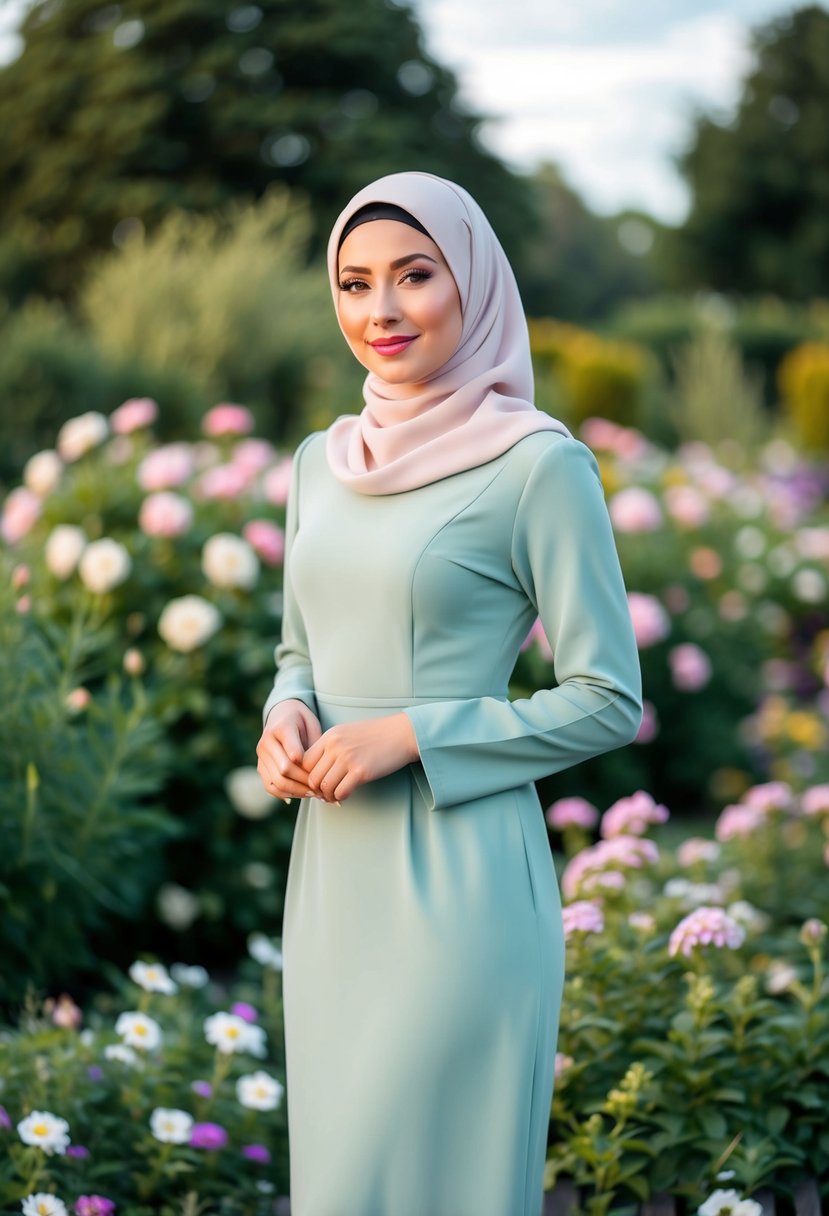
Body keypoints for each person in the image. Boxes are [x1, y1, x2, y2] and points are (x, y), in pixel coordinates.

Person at [256, 171, 643, 1216]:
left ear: (470, 282)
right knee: (340, 1185)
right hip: (332, 878)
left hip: (459, 888)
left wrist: (416, 733)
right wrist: (284, 714)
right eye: (354, 283)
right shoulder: (316, 465)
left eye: (413, 276)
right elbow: (300, 649)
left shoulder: (536, 466)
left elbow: (609, 695)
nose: (379, 311)